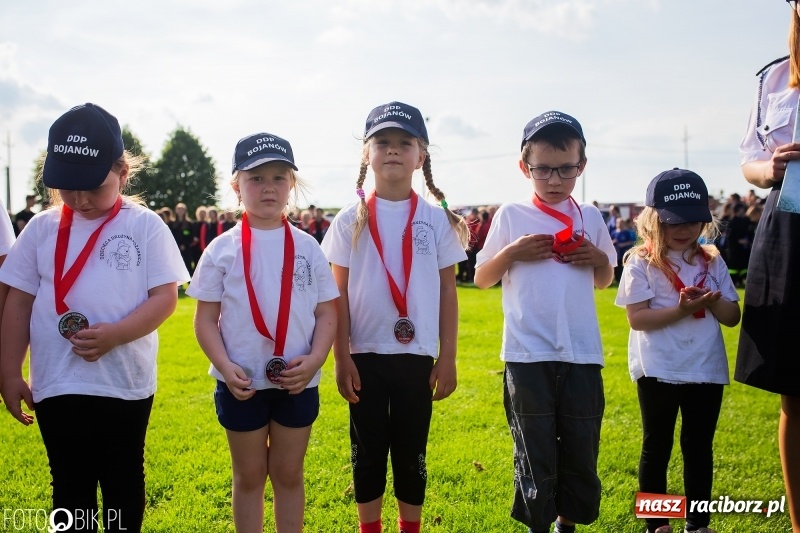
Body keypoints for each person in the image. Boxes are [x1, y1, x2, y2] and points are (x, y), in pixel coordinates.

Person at [0, 103, 189, 533]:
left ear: (123, 173)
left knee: (123, 480)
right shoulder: (42, 229)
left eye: (94, 186)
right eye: (69, 187)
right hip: (57, 383)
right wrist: (9, 370)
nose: (81, 198)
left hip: (125, 384)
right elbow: (18, 303)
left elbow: (165, 298)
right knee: (69, 484)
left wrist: (118, 334)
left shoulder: (145, 226)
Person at [321, 101, 468, 533]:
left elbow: (447, 290)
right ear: (366, 153)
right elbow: (337, 294)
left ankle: (410, 527)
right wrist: (341, 357)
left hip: (418, 355)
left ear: (421, 155)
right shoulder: (350, 219)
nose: (392, 150)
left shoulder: (435, 220)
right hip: (364, 353)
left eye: (405, 142)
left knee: (411, 450)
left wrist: (449, 356)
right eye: (381, 142)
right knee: (367, 451)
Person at [187, 132, 338, 533]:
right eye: (256, 178)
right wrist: (223, 364)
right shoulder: (221, 249)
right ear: (237, 187)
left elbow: (327, 313)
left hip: (297, 381)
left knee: (289, 474)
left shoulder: (308, 248)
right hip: (241, 383)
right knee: (249, 476)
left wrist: (317, 359)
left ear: (291, 185)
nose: (268, 187)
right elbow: (203, 320)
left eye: (278, 177)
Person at [474, 111, 615, 533]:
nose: (554, 180)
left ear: (581, 165)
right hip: (526, 352)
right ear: (525, 167)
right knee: (533, 448)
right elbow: (482, 277)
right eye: (542, 170)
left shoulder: (589, 216)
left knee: (580, 444)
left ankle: (566, 524)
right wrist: (511, 253)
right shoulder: (512, 215)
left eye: (566, 169)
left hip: (581, 351)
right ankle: (539, 523)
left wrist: (599, 258)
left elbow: (604, 282)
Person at [615, 169, 741, 533]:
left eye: (691, 220)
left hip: (705, 367)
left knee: (699, 448)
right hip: (658, 368)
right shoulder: (640, 261)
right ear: (652, 219)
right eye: (672, 222)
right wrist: (682, 310)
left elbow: (732, 316)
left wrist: (713, 303)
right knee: (657, 446)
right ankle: (658, 523)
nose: (682, 229)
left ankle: (697, 524)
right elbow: (638, 319)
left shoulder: (712, 260)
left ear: (705, 219)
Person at [736, 5, 800, 529]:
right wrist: (771, 166)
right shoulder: (773, 77)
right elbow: (750, 162)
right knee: (794, 392)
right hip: (790, 235)